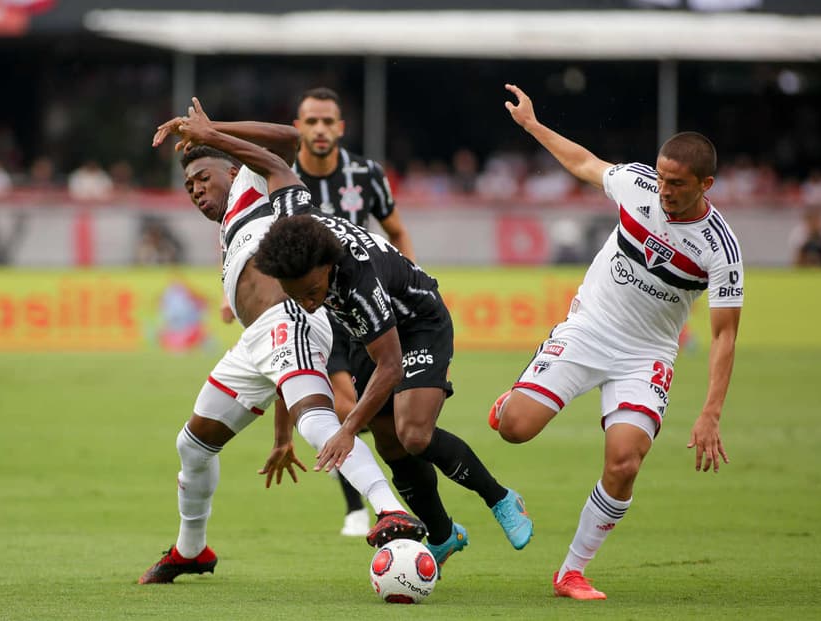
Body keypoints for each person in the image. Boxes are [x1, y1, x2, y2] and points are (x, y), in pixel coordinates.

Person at [174, 100, 534, 574]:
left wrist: (345, 431)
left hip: (415, 321)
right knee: (388, 443)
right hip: (361, 326)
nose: (304, 305)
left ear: (323, 272)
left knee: (413, 433)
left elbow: (390, 365)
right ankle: (443, 535)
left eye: (309, 293)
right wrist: (285, 431)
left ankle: (501, 497)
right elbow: (289, 333)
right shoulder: (290, 212)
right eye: (294, 295)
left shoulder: (355, 281)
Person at [138, 101, 426, 584]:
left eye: (203, 178)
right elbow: (275, 359)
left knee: (318, 420)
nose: (196, 190)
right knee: (192, 445)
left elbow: (283, 140)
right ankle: (192, 550)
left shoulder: (253, 182)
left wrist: (214, 129)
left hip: (288, 318)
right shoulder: (229, 233)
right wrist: (279, 436)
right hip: (257, 341)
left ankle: (389, 511)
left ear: (232, 168)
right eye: (189, 187)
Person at [489, 84, 743, 600]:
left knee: (625, 462)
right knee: (514, 429)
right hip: (588, 330)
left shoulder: (721, 250)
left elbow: (724, 335)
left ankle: (571, 572)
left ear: (706, 184)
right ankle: (512, 401)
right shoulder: (636, 184)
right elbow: (585, 163)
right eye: (662, 177)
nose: (664, 190)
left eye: (677, 183)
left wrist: (711, 411)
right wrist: (534, 126)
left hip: (645, 356)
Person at [292, 86, 418, 537]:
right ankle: (359, 506)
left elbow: (397, 231)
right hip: (310, 312)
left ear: (341, 128)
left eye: (328, 122)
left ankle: (380, 503)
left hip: (361, 303)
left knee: (381, 419)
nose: (321, 129)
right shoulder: (281, 177)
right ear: (297, 128)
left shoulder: (366, 174)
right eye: (312, 121)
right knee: (344, 405)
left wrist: (408, 284)